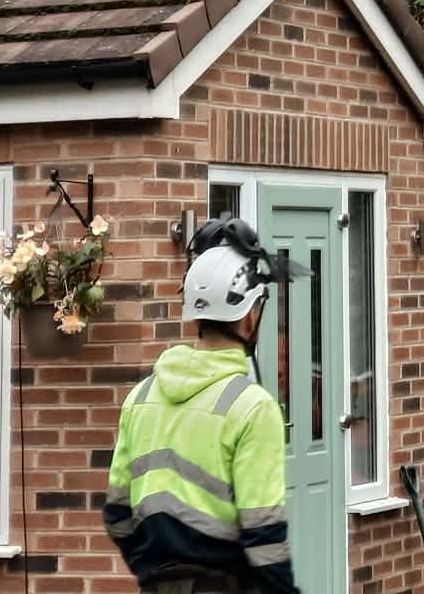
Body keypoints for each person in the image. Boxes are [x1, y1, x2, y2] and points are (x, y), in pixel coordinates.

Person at [104, 221, 301, 594]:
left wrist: (156, 573)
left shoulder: (141, 396)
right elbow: (265, 536)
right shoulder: (252, 408)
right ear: (250, 315)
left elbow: (117, 515)